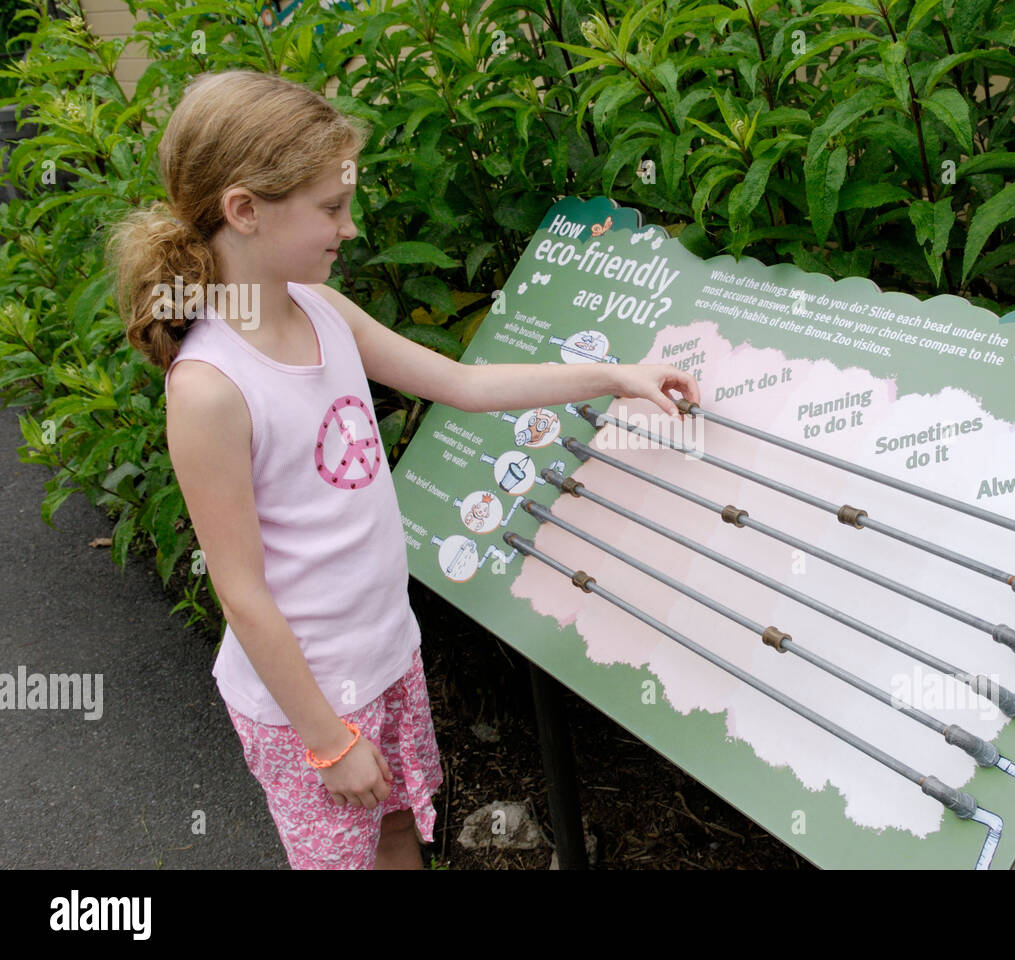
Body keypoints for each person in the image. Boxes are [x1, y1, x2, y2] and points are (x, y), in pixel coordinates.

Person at [108, 69, 699, 870]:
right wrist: (326, 741)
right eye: (330, 208)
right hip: (305, 704)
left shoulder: (323, 310)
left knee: (397, 828)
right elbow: (241, 591)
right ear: (244, 210)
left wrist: (616, 374)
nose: (348, 229)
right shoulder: (212, 388)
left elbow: (460, 384)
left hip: (385, 655)